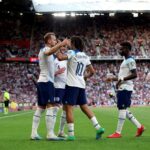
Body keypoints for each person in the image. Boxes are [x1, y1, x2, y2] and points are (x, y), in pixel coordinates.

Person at [57, 36, 105, 141]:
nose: (68, 43)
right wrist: (84, 77)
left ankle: (71, 134)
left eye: (70, 42)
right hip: (81, 84)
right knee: (84, 107)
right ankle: (98, 127)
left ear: (73, 43)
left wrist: (58, 46)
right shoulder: (85, 56)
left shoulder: (71, 53)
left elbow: (60, 57)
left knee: (69, 108)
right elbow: (92, 72)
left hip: (71, 84)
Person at [30, 32, 68, 140]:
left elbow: (59, 56)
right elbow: (49, 51)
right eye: (54, 39)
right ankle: (50, 134)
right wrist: (61, 44)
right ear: (48, 41)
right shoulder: (44, 49)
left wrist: (61, 47)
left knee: (41, 108)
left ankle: (33, 133)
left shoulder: (51, 52)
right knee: (51, 106)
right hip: (47, 82)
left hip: (43, 81)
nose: (55, 41)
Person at [106, 41, 145, 138]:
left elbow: (134, 74)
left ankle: (118, 133)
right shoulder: (125, 60)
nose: (120, 50)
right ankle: (139, 127)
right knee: (123, 109)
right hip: (123, 87)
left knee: (122, 108)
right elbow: (121, 76)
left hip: (126, 88)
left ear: (127, 49)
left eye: (122, 48)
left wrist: (121, 79)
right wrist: (113, 78)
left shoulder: (130, 60)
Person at [53, 46, 68, 138]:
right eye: (61, 48)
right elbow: (49, 74)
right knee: (55, 109)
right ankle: (51, 132)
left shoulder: (66, 60)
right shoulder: (55, 61)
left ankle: (61, 131)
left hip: (66, 87)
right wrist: (56, 72)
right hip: (58, 87)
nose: (63, 49)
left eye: (64, 48)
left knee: (66, 109)